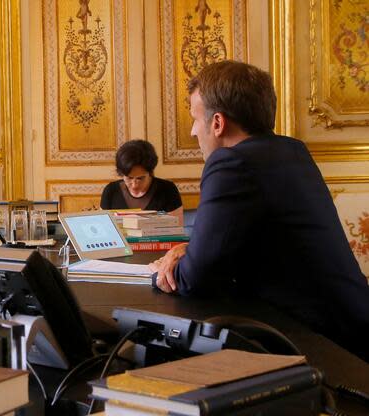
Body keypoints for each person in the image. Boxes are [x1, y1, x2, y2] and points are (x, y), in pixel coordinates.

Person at [149, 60, 369, 361]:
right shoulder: (291, 151)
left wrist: (163, 269)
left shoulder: (231, 164)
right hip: (353, 326)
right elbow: (248, 242)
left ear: (217, 123)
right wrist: (190, 248)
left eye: (195, 119)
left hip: (321, 346)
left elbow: (193, 279)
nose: (192, 131)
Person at [100, 139, 183, 221]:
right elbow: (103, 227)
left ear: (150, 172)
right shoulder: (110, 191)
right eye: (129, 178)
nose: (134, 185)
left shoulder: (168, 190)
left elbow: (178, 228)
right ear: (121, 174)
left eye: (140, 178)